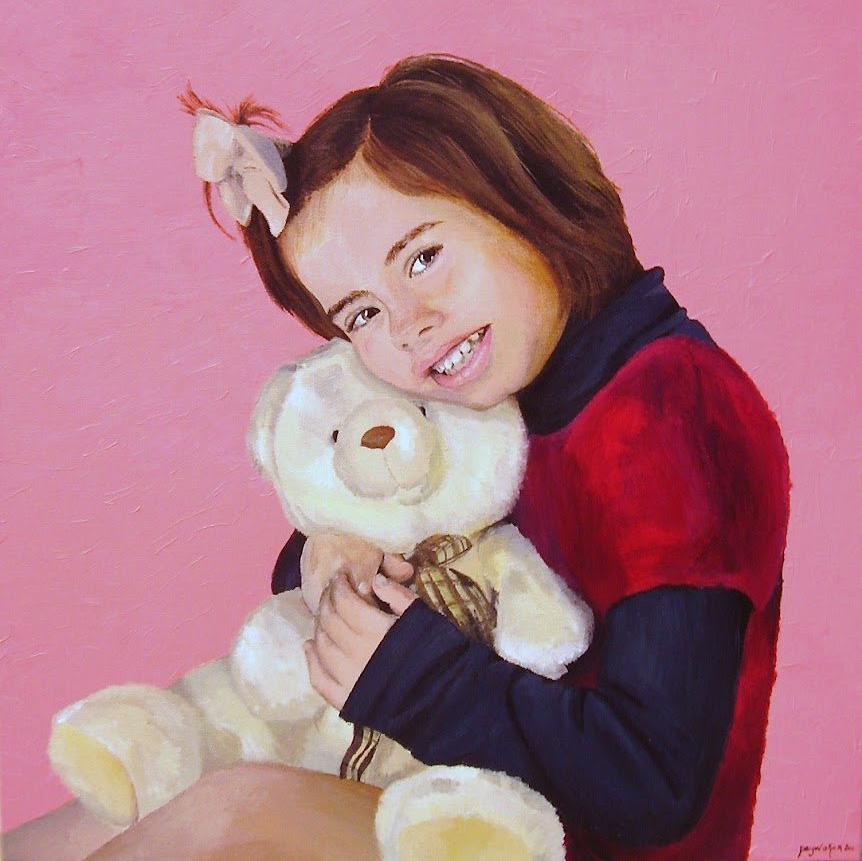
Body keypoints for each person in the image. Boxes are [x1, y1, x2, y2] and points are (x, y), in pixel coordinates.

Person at [5, 55, 789, 860]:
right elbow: (419, 517)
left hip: (562, 842)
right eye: (361, 314)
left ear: (525, 194)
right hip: (437, 804)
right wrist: (329, 558)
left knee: (233, 811)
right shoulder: (502, 389)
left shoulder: (670, 410)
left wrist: (410, 675)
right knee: (128, 807)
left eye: (422, 258)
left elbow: (653, 781)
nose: (410, 324)